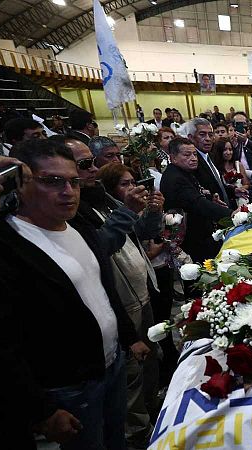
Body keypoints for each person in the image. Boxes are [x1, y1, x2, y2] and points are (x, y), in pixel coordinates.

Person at [0, 139, 149, 449]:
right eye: (52, 181)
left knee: (117, 441)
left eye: (73, 181)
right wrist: (41, 410)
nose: (68, 191)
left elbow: (101, 289)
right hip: (67, 386)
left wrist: (129, 336)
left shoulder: (78, 227)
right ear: (20, 182)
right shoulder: (2, 243)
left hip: (111, 367)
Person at [96, 162, 162, 448]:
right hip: (124, 303)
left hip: (142, 292)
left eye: (134, 182)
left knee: (151, 357)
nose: (132, 188)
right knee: (132, 372)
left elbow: (143, 233)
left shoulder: (120, 211)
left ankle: (152, 409)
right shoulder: (98, 214)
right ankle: (139, 432)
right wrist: (128, 210)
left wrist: (154, 210)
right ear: (109, 189)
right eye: (124, 184)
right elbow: (105, 246)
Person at [160, 137, 232, 263]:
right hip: (192, 241)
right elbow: (197, 203)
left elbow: (195, 196)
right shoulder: (175, 178)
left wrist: (210, 198)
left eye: (194, 154)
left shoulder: (184, 172)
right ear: (173, 158)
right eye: (187, 155)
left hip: (201, 235)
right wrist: (231, 214)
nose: (193, 158)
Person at [184, 118, 230, 207]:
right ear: (191, 137)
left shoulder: (211, 156)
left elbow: (217, 185)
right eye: (202, 134)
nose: (208, 139)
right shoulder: (191, 161)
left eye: (210, 134)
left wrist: (233, 191)